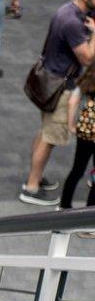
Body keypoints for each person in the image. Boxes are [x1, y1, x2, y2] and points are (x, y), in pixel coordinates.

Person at [21, 0, 95, 205]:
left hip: (49, 80)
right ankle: (31, 187)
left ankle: (35, 177)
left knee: (44, 131)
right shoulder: (73, 22)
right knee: (50, 137)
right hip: (60, 86)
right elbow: (88, 57)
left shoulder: (67, 11)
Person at [60, 67, 95, 209]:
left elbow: (72, 102)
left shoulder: (88, 76)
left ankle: (64, 205)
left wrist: (71, 125)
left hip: (85, 129)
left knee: (77, 169)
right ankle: (90, 212)